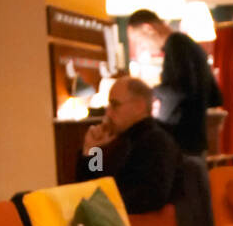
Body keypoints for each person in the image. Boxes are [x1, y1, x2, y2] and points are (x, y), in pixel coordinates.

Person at [76, 74, 182, 214]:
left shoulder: (156, 142)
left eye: (114, 105)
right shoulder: (124, 140)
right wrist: (93, 149)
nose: (108, 112)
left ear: (139, 106)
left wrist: (103, 205)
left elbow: (151, 197)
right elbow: (93, 187)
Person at [126, 9, 223, 155]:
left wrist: (149, 91)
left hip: (179, 138)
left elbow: (180, 89)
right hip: (195, 139)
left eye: (140, 40)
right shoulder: (191, 46)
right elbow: (215, 97)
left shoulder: (176, 44)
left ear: (148, 28)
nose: (143, 47)